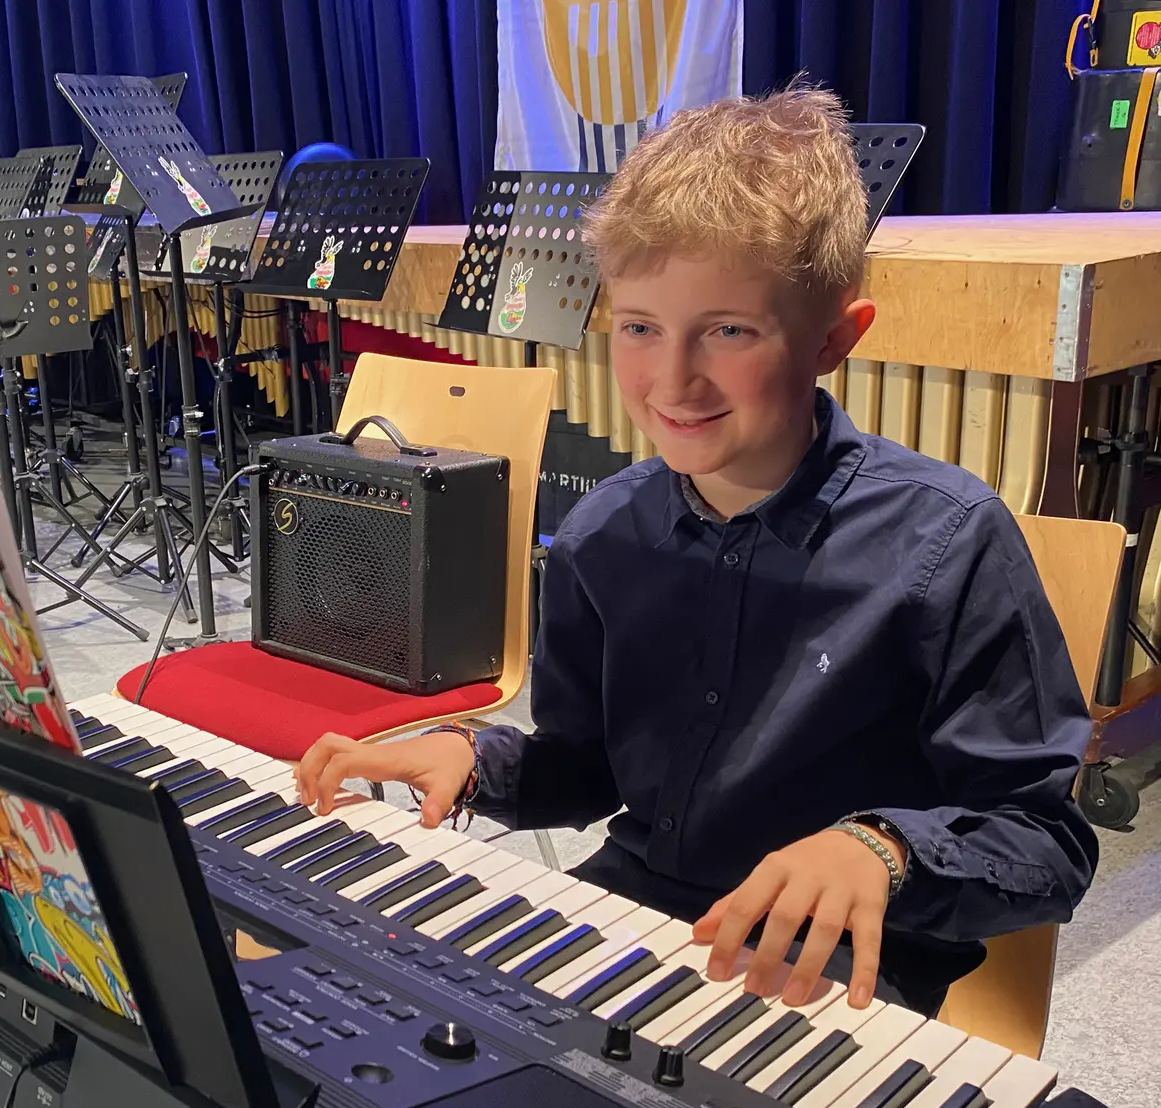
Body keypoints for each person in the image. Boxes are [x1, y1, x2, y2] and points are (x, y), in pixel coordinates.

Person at [294, 85, 1098, 1018]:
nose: (672, 380)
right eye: (640, 327)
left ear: (836, 338)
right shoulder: (602, 534)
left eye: (728, 331)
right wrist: (472, 759)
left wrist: (881, 851)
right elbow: (587, 766)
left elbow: (1047, 846)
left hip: (830, 970)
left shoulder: (951, 540)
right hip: (628, 913)